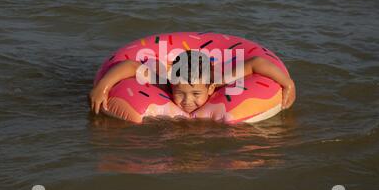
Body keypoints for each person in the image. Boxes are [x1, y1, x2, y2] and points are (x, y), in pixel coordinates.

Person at [89, 50, 296, 115]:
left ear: (211, 89)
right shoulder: (168, 80)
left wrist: (288, 84)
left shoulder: (218, 79)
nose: (187, 101)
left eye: (196, 95)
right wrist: (102, 87)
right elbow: (131, 66)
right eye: (180, 93)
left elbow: (256, 63)